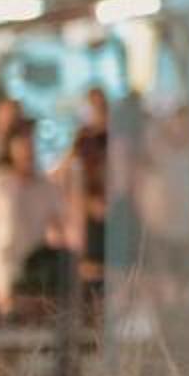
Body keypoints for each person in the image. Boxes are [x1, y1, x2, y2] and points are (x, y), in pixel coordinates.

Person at [0, 118, 69, 320]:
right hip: (3, 264)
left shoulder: (47, 187)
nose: (27, 151)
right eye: (22, 145)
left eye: (30, 144)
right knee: (7, 316)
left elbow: (61, 226)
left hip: (33, 268)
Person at [58, 86, 110, 290]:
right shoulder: (82, 141)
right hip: (86, 225)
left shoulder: (118, 141)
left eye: (102, 107)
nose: (99, 113)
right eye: (94, 107)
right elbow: (63, 177)